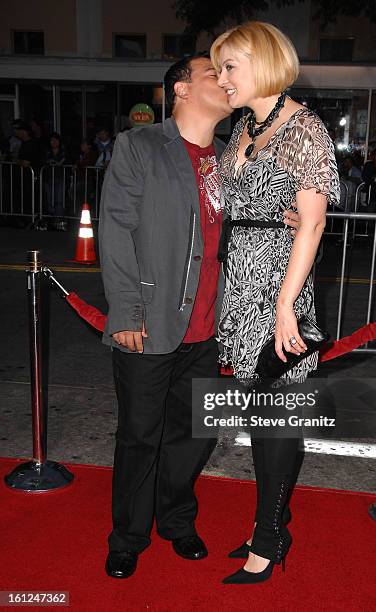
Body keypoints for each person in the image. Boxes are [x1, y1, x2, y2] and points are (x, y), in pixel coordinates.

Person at [211, 22, 340, 584]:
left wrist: (286, 304)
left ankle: (268, 540)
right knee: (259, 418)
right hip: (240, 284)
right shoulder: (245, 126)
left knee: (278, 418)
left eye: (230, 66)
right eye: (218, 68)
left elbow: (312, 226)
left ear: (262, 63)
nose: (221, 78)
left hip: (280, 287)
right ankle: (271, 522)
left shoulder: (305, 128)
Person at [98, 53, 233, 580]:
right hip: (149, 323)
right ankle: (128, 535)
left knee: (196, 433)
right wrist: (126, 311)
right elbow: (116, 231)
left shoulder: (228, 158)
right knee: (139, 434)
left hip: (209, 327)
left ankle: (176, 519)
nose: (223, 82)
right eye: (211, 74)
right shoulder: (141, 146)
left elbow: (236, 234)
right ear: (180, 89)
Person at [43, 132, 67, 230]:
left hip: (60, 177)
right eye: (52, 140)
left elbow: (66, 161)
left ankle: (58, 221)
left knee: (59, 200)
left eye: (56, 140)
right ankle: (51, 219)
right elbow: (43, 161)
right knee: (49, 199)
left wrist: (59, 163)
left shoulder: (63, 151)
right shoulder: (47, 152)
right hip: (49, 178)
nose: (54, 142)